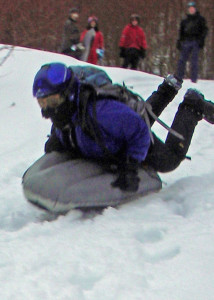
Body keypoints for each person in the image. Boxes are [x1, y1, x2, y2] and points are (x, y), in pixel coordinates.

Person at [32, 62, 214, 192]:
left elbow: (139, 131)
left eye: (52, 101)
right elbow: (66, 125)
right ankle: (168, 89)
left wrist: (131, 163)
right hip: (116, 131)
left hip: (131, 137)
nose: (47, 109)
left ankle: (192, 106)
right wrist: (57, 141)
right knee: (127, 123)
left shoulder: (101, 111)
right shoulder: (67, 112)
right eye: (42, 103)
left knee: (168, 161)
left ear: (67, 94)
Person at [176, 2, 208, 83]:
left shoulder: (200, 19)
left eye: (192, 8)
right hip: (186, 41)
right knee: (182, 60)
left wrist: (201, 40)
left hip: (195, 41)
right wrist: (179, 41)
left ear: (195, 9)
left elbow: (204, 31)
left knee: (194, 61)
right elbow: (181, 32)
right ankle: (179, 77)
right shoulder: (185, 21)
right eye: (190, 8)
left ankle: (194, 79)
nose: (191, 10)